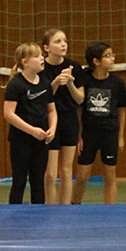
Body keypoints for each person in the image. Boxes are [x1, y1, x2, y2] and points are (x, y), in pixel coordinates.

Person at [72, 41, 126, 205]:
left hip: (109, 134)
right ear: (96, 61)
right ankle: (74, 206)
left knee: (110, 176)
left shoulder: (117, 83)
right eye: (107, 56)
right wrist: (78, 136)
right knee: (82, 176)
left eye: (112, 55)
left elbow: (121, 110)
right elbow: (79, 109)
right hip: (88, 134)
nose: (112, 58)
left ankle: (110, 211)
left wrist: (120, 136)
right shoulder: (85, 80)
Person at [4, 42, 55, 205]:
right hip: (21, 140)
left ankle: (38, 216)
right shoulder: (16, 85)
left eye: (42, 55)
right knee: (19, 181)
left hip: (41, 140)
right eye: (37, 56)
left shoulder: (45, 83)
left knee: (38, 182)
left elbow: (51, 110)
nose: (42, 58)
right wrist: (32, 130)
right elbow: (8, 114)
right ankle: (13, 215)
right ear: (25, 62)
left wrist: (52, 129)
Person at [38, 28, 83, 203]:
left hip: (69, 120)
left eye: (64, 41)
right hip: (50, 121)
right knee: (50, 174)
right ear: (47, 48)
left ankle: (65, 210)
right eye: (58, 41)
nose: (63, 44)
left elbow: (80, 99)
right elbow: (42, 98)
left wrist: (70, 83)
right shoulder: (41, 67)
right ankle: (50, 208)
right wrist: (56, 83)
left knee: (66, 171)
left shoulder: (74, 67)